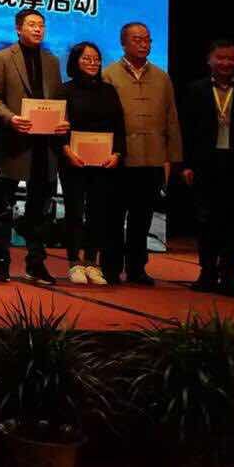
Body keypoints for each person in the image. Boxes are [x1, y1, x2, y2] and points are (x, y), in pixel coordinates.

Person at [0, 8, 69, 285]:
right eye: (32, 24)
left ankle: (36, 263)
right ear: (18, 28)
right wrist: (11, 118)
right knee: (3, 207)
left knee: (40, 209)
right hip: (13, 141)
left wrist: (62, 121)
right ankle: (1, 262)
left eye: (41, 25)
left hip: (45, 144)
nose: (37, 29)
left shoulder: (51, 61)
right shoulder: (2, 58)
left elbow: (58, 101)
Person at [179, 39, 234, 298]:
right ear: (209, 60)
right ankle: (207, 273)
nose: (225, 63)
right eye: (220, 57)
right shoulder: (195, 90)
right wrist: (186, 164)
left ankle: (230, 275)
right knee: (206, 221)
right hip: (205, 164)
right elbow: (185, 130)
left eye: (231, 58)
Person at [102, 22, 182, 285]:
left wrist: (172, 157)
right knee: (114, 216)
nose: (143, 44)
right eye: (137, 39)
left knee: (142, 217)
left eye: (147, 39)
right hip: (119, 158)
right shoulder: (109, 74)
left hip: (152, 158)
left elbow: (171, 119)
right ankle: (111, 267)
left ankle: (137, 268)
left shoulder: (161, 77)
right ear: (123, 43)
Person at [55, 42, 125, 286]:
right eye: (86, 58)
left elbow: (119, 126)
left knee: (98, 212)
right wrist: (66, 151)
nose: (92, 63)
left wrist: (117, 154)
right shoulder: (65, 90)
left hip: (103, 161)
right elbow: (58, 126)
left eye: (96, 59)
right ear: (75, 61)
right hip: (73, 160)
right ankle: (74, 262)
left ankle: (93, 263)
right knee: (74, 211)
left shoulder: (109, 91)